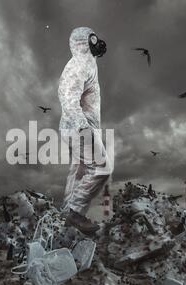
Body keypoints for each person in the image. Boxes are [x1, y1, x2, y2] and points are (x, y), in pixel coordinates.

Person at [58, 27, 112, 235]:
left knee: (79, 171)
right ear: (83, 42)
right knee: (101, 168)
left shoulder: (87, 63)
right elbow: (68, 97)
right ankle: (74, 213)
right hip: (79, 126)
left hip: (79, 126)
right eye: (92, 39)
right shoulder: (79, 66)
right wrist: (83, 127)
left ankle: (66, 217)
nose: (96, 42)